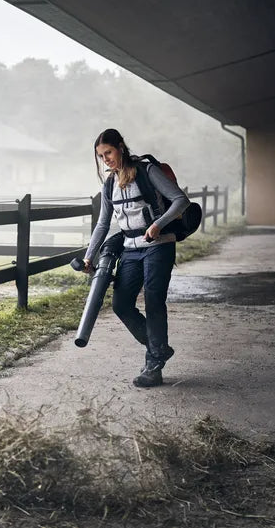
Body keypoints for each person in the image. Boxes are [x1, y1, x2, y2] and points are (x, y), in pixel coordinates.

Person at [83, 128, 191, 387]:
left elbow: (180, 200)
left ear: (120, 146)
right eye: (100, 156)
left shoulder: (146, 171)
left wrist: (158, 224)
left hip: (158, 245)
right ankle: (159, 348)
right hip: (130, 248)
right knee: (121, 304)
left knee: (154, 301)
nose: (105, 159)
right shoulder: (109, 183)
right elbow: (102, 224)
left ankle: (153, 366)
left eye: (108, 152)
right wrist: (89, 256)